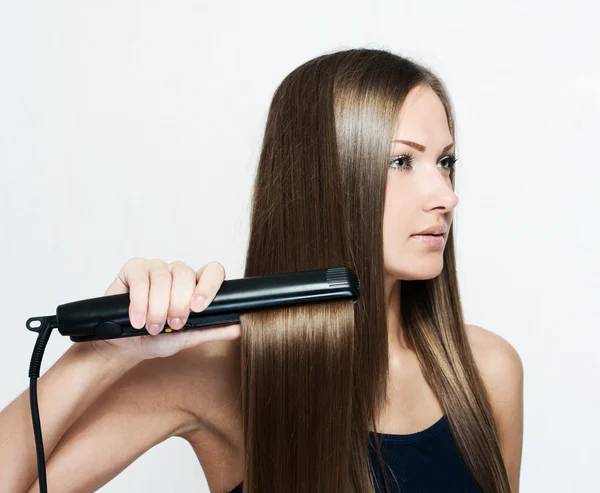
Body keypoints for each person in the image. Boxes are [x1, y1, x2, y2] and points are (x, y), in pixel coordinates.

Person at [0, 48, 523, 493]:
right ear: (325, 179)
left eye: (446, 162)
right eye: (401, 162)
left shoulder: (484, 371)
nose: (446, 197)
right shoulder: (213, 378)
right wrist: (97, 358)